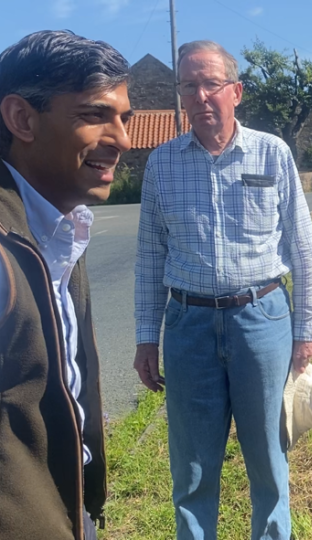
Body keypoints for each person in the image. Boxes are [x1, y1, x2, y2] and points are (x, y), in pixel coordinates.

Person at [133, 40, 312, 540]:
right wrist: (146, 338)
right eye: (188, 85)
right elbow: (150, 258)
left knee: (268, 458)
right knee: (191, 468)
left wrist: (306, 330)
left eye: (210, 83)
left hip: (261, 321)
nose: (199, 95)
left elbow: (303, 249)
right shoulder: (162, 164)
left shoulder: (272, 153)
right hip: (188, 325)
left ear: (235, 91)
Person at [0, 30, 133, 540]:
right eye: (94, 114)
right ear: (21, 118)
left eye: (125, 118)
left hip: (67, 507)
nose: (122, 138)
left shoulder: (60, 224)